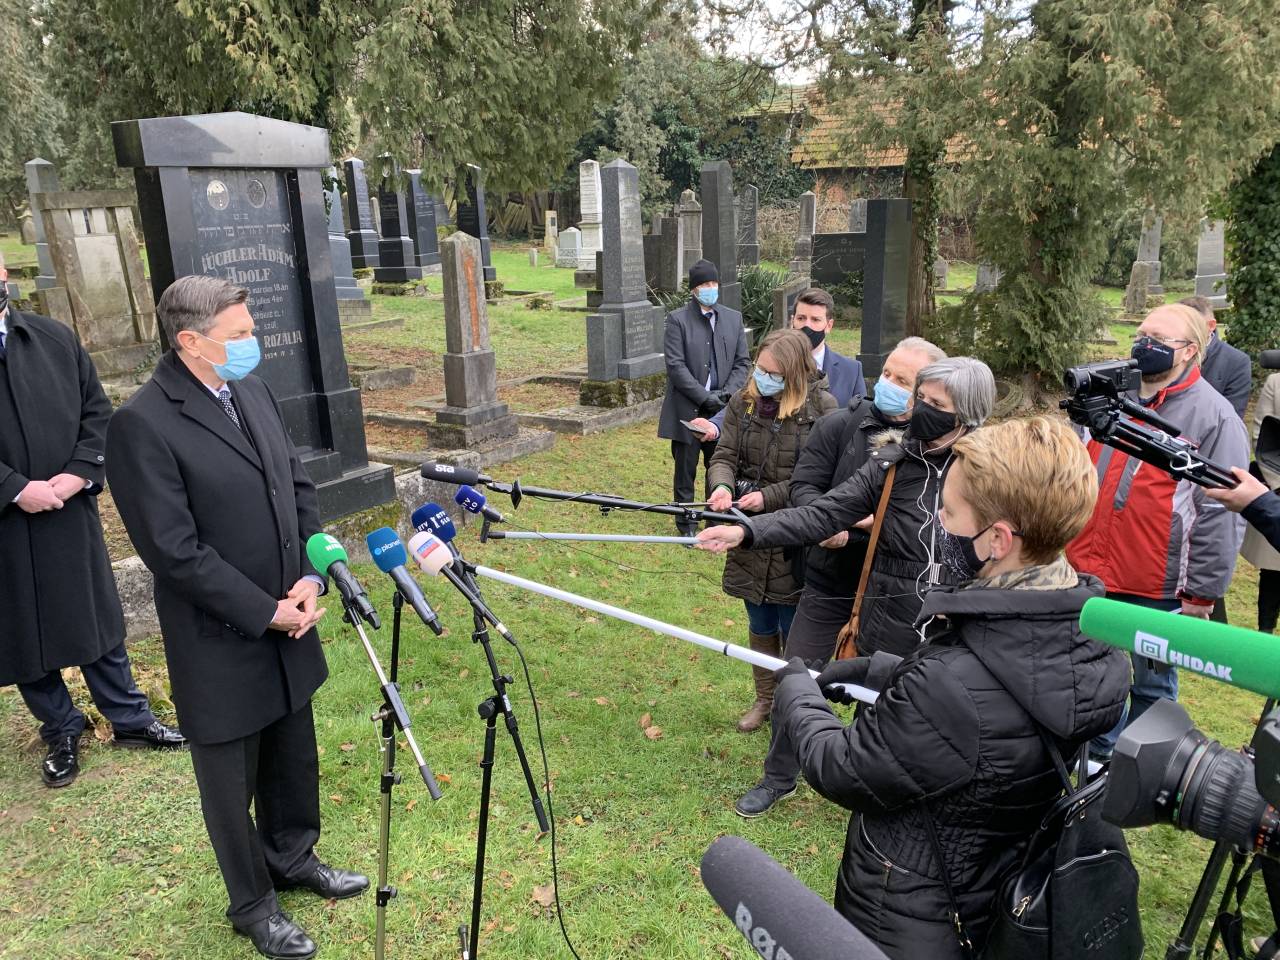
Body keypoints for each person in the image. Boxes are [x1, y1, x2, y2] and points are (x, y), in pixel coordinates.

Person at [768, 417, 1129, 960]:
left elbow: (845, 768)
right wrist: (883, 671)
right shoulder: (1094, 640)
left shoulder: (951, 684)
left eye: (951, 511)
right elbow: (1000, 698)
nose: (937, 518)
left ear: (997, 540)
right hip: (999, 879)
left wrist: (798, 692)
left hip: (911, 908)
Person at [106, 276, 366, 960]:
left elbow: (297, 486)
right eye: (241, 335)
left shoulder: (250, 390)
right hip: (220, 634)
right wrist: (263, 611)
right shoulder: (142, 424)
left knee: (292, 750)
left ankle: (294, 856)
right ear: (191, 342)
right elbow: (174, 550)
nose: (255, 343)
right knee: (231, 780)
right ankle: (253, 904)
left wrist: (310, 575)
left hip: (290, 610)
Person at [735, 335, 946, 817]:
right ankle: (778, 776)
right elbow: (807, 487)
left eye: (903, 380)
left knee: (887, 688)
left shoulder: (934, 452)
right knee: (797, 673)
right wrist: (832, 526)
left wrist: (873, 524)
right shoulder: (840, 424)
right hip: (830, 577)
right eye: (887, 373)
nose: (888, 384)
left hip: (893, 594)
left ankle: (872, 779)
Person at [0, 253, 184, 790]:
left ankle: (130, 718)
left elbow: (96, 411)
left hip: (67, 507)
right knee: (22, 628)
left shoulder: (53, 339)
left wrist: (80, 472)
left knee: (94, 618)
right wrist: (14, 489)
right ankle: (61, 728)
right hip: (5, 520)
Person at [696, 356, 997, 662]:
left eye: (937, 404)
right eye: (921, 397)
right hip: (887, 631)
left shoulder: (994, 474)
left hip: (960, 636)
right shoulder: (891, 462)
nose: (922, 407)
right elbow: (824, 513)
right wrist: (746, 531)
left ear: (966, 414)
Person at [1066, 303, 1249, 761]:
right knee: (1090, 675)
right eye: (1141, 334)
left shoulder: (1214, 417)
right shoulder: (1108, 397)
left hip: (1155, 584)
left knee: (1151, 685)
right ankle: (1094, 760)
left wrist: (1201, 593)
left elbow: (1221, 511)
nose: (1143, 345)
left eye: (1158, 340)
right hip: (1087, 569)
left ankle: (1141, 766)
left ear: (1189, 351)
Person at [705, 328, 837, 732]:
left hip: (795, 535)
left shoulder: (824, 410)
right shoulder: (743, 402)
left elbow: (819, 476)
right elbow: (724, 454)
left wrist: (769, 497)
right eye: (759, 369)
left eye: (773, 374)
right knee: (759, 617)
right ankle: (764, 699)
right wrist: (722, 486)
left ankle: (791, 706)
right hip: (746, 531)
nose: (762, 378)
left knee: (792, 625)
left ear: (794, 375)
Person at [688, 287, 866, 442]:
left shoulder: (851, 370)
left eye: (815, 320)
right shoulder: (770, 363)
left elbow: (860, 421)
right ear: (792, 320)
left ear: (829, 325)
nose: (807, 326)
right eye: (801, 318)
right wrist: (714, 426)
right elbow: (745, 398)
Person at [656, 259, 750, 535]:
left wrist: (726, 394)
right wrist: (703, 396)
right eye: (705, 284)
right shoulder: (678, 320)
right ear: (694, 289)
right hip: (688, 408)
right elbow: (675, 366)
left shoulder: (732, 319)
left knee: (717, 466)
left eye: (713, 283)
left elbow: (742, 362)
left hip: (722, 408)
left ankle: (715, 519)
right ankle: (686, 523)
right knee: (685, 469)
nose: (710, 288)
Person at [1183, 295, 1251, 419]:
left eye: (1191, 326)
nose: (1182, 331)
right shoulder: (1167, 350)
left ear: (1211, 326)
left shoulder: (1236, 362)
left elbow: (1231, 417)